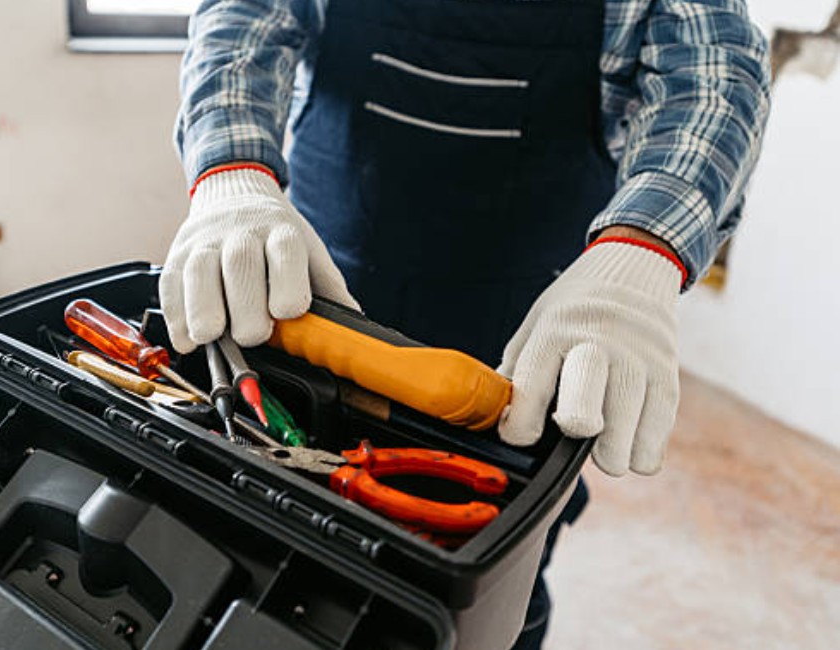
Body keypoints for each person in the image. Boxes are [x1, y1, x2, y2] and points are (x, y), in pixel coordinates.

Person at [160, 0, 771, 646]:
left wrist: (643, 246)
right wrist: (231, 171)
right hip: (318, 292)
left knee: (490, 580)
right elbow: (246, 12)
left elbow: (714, 67)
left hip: (534, 333)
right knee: (287, 558)